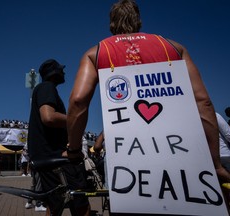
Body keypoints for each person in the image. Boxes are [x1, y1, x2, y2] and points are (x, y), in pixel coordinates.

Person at [67, 0, 230, 194]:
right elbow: (204, 102)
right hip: (181, 151)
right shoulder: (173, 47)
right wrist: (215, 163)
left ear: (111, 23)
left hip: (127, 158)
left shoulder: (97, 53)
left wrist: (74, 150)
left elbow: (78, 101)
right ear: (138, 20)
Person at [27, 59, 91, 216]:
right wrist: (75, 118)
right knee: (81, 204)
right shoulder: (46, 87)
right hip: (55, 157)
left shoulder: (42, 89)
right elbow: (48, 117)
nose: (64, 72)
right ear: (54, 73)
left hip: (46, 156)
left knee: (55, 205)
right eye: (61, 70)